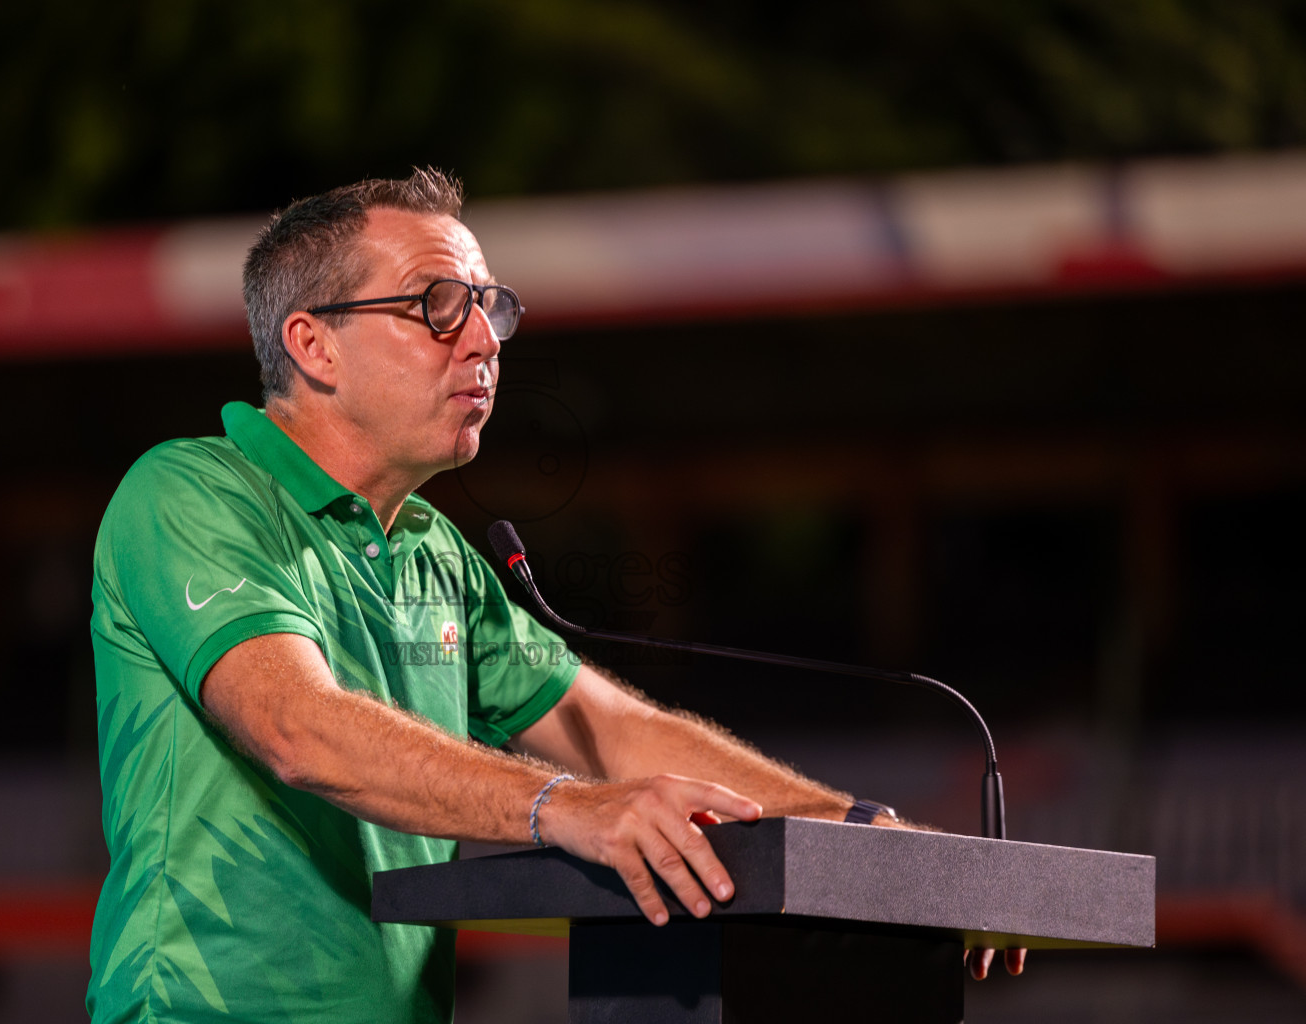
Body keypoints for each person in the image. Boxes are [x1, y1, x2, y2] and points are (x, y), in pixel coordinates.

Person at [86, 168, 1023, 1024]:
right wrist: (565, 808)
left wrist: (856, 835)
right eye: (439, 306)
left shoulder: (433, 555)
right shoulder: (189, 494)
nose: (486, 340)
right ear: (314, 346)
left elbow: (604, 726)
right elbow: (299, 727)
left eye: (491, 306)